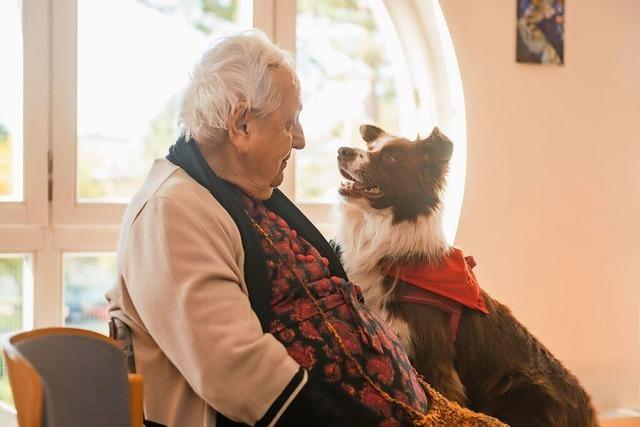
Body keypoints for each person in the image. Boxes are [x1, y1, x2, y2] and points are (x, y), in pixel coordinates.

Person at [106, 30, 503, 427]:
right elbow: (239, 375)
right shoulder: (170, 211)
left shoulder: (237, 192)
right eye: (289, 123)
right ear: (241, 125)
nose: (300, 140)